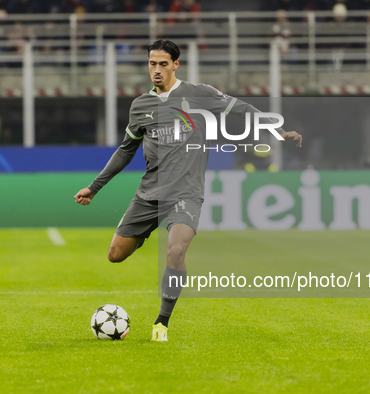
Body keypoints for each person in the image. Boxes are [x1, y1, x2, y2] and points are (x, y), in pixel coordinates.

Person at [74, 40, 302, 342]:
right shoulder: (141, 106)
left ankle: (162, 322)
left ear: (175, 65)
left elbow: (240, 109)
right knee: (115, 256)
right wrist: (94, 187)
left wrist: (277, 131)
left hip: (187, 192)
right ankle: (144, 233)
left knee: (176, 249)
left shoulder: (198, 94)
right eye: (152, 63)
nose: (156, 70)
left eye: (163, 64)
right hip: (149, 194)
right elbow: (125, 150)